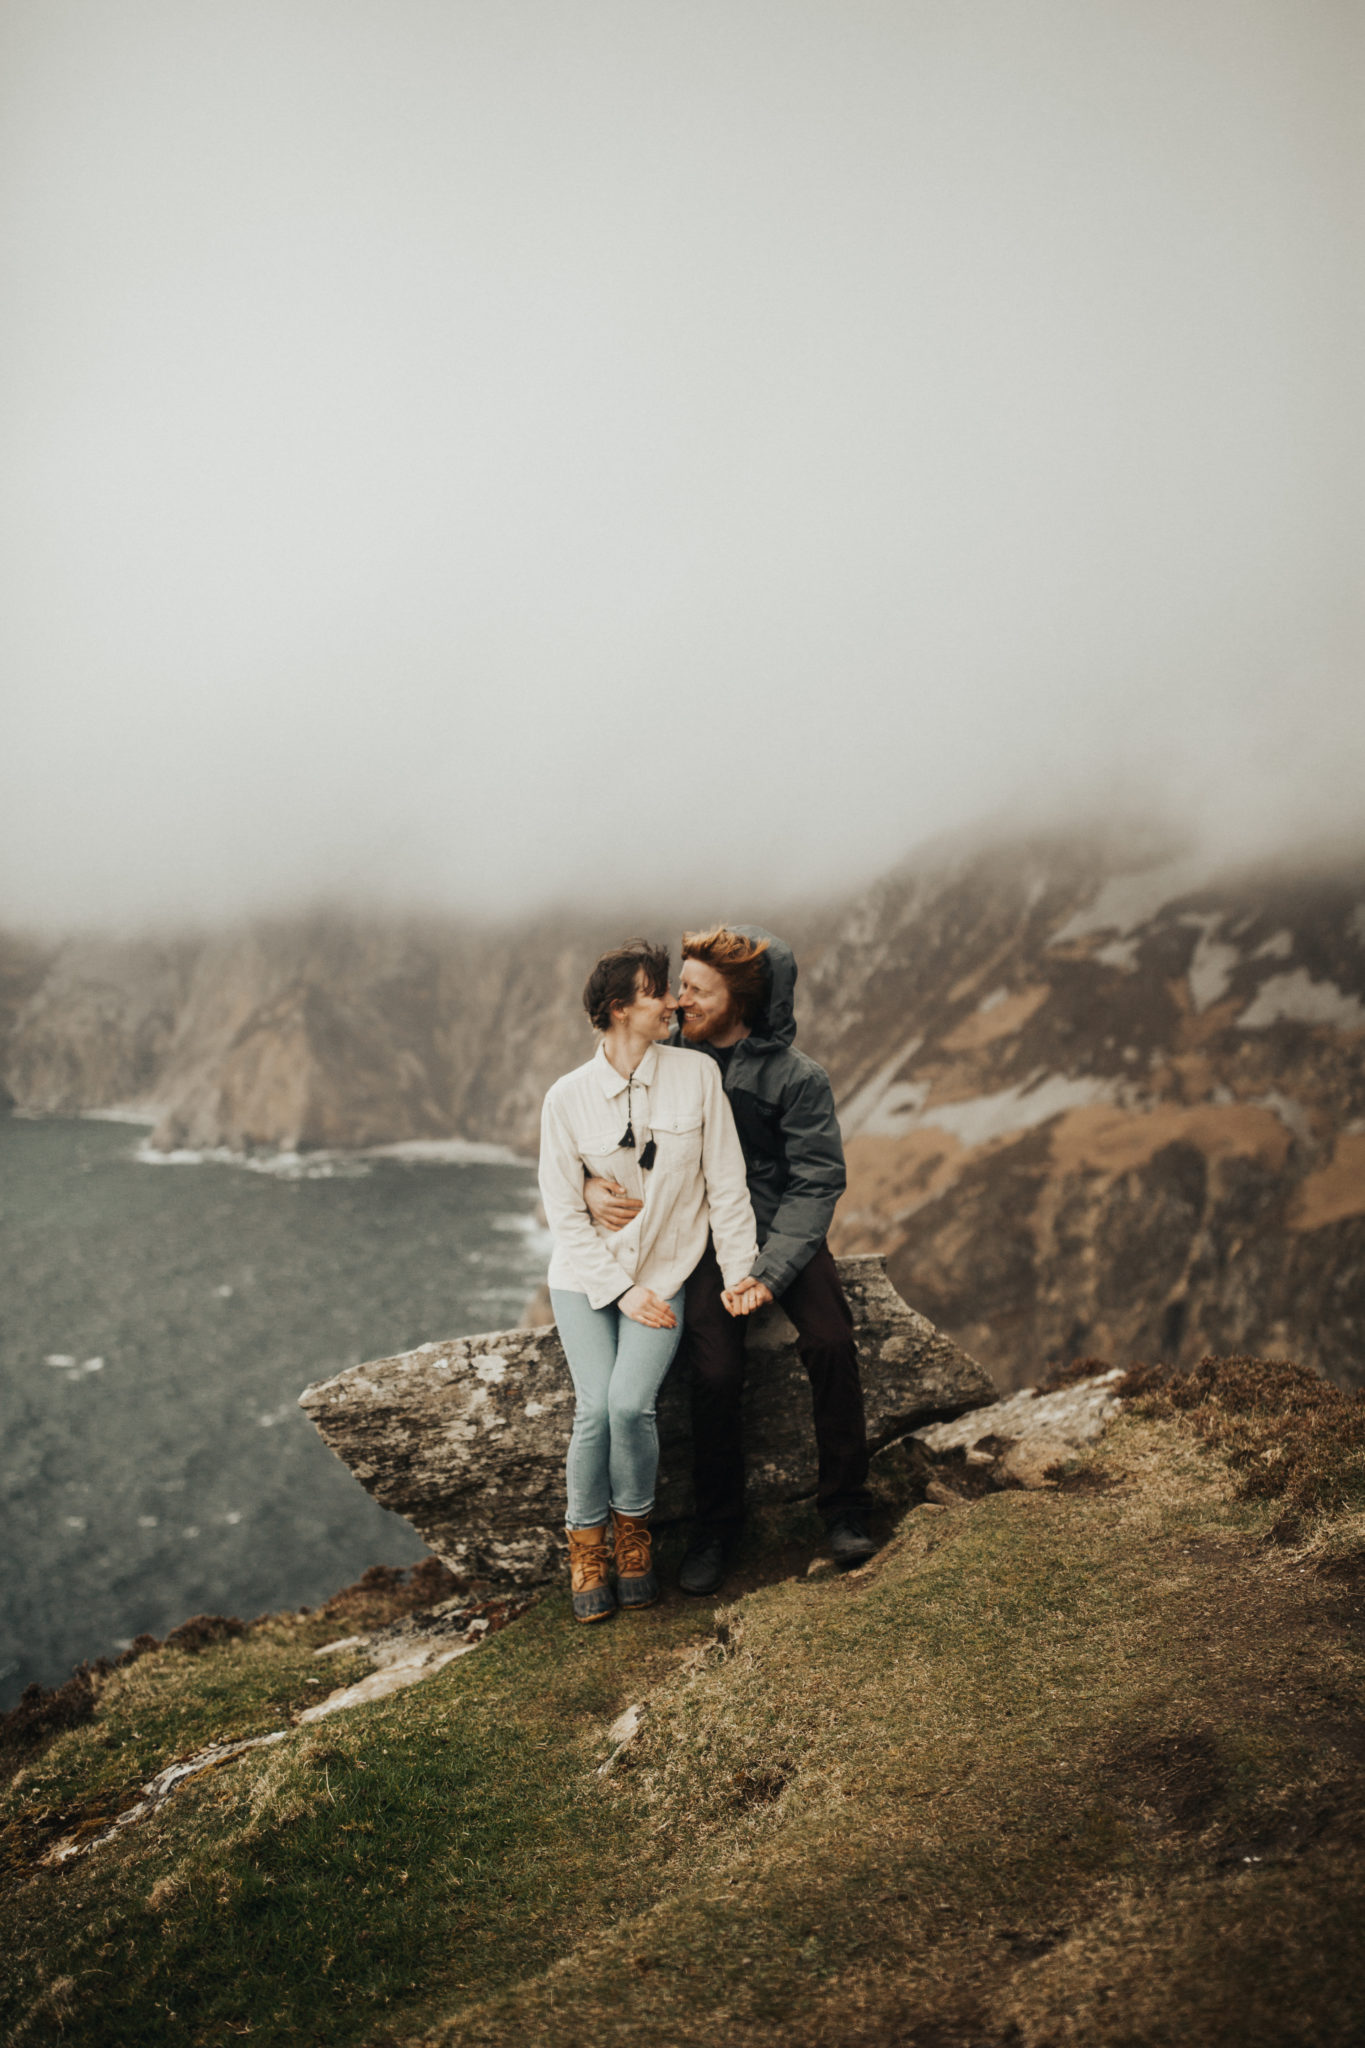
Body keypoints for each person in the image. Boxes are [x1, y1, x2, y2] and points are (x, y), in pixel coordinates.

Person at [586, 925, 875, 1593]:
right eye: (677, 986)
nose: (677, 1000)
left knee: (831, 1341)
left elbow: (816, 1183)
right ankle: (717, 1527)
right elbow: (597, 1130)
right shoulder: (666, 1064)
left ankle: (845, 1509)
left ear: (739, 1000)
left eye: (694, 990)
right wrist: (587, 1185)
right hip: (699, 1239)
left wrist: (770, 1271)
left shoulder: (798, 1078)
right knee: (713, 1373)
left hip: (783, 1238)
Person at [538, 939, 763, 1623]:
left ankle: (634, 1541)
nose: (671, 1001)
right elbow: (562, 1212)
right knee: (595, 1409)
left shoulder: (696, 1076)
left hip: (664, 1271)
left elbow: (725, 1184)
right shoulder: (566, 1098)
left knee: (631, 1405)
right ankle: (586, 1547)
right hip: (585, 1280)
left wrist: (740, 1273)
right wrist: (619, 1290)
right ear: (616, 1008)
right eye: (655, 991)